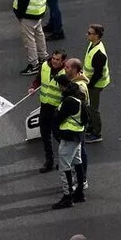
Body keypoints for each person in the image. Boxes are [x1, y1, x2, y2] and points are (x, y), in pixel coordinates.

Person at [52, 64, 87, 208]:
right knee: (77, 162)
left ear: (62, 86)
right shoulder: (78, 96)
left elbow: (58, 118)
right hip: (78, 135)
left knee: (64, 166)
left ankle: (67, 196)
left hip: (69, 136)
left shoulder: (68, 101)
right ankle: (79, 192)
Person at [30, 50, 67, 173]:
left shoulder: (65, 73)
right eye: (53, 58)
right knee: (45, 135)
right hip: (44, 106)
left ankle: (64, 160)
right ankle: (49, 161)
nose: (54, 61)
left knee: (58, 136)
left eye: (57, 59)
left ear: (62, 61)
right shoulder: (45, 66)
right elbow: (38, 79)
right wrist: (33, 87)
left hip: (56, 109)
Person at [13, 0, 48, 77]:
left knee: (29, 40)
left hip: (28, 14)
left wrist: (19, 14)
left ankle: (34, 64)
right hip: (39, 11)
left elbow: (23, 1)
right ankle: (43, 57)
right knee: (39, 34)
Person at [83, 24, 109, 143]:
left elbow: (97, 74)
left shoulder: (99, 54)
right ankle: (91, 126)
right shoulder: (92, 44)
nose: (87, 35)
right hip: (90, 81)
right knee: (88, 105)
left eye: (90, 33)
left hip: (96, 84)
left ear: (97, 36)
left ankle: (96, 133)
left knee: (93, 108)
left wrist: (89, 85)